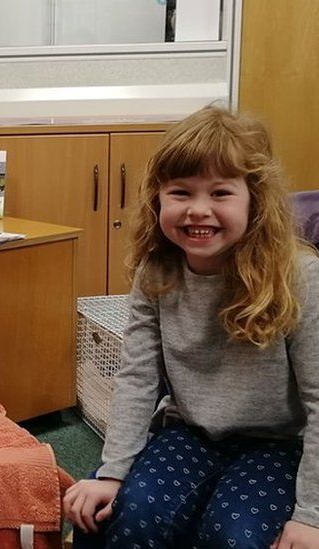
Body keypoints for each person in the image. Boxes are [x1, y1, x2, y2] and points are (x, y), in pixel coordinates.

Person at [63, 105, 319, 548]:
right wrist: (112, 472)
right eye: (181, 192)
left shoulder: (299, 276)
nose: (198, 210)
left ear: (254, 200)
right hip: (188, 433)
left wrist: (310, 517)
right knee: (124, 518)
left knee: (235, 537)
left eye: (220, 193)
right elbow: (138, 378)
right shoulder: (155, 271)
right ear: (158, 198)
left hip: (278, 445)